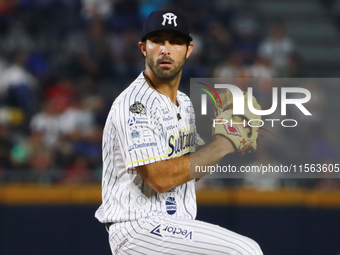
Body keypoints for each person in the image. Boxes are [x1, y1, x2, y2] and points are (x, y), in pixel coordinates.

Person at [95, 10, 263, 255]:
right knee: (245, 251)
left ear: (189, 49)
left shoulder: (183, 103)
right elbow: (160, 179)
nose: (166, 49)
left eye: (175, 42)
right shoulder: (134, 104)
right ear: (143, 48)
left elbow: (187, 171)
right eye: (158, 41)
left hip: (174, 229)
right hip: (139, 228)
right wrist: (224, 143)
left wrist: (229, 136)